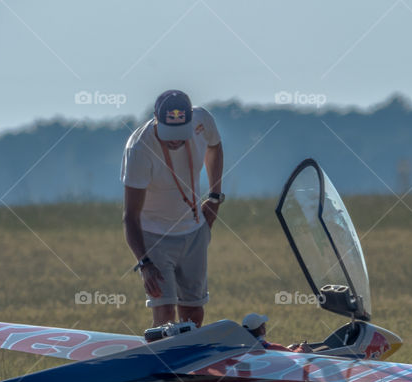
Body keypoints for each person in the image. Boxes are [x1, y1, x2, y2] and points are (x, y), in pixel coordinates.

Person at [122, 90, 225, 327]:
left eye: (181, 133)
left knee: (194, 313)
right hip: (154, 237)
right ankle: (162, 364)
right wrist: (144, 263)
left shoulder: (203, 121)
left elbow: (215, 148)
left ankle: (191, 364)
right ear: (156, 121)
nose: (175, 140)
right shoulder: (139, 149)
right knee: (165, 315)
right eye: (170, 133)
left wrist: (215, 196)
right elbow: (130, 217)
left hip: (193, 231)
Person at [242, 313, 313, 352]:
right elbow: (294, 357)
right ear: (261, 329)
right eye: (263, 326)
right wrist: (302, 348)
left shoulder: (242, 346)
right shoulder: (270, 347)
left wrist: (288, 348)